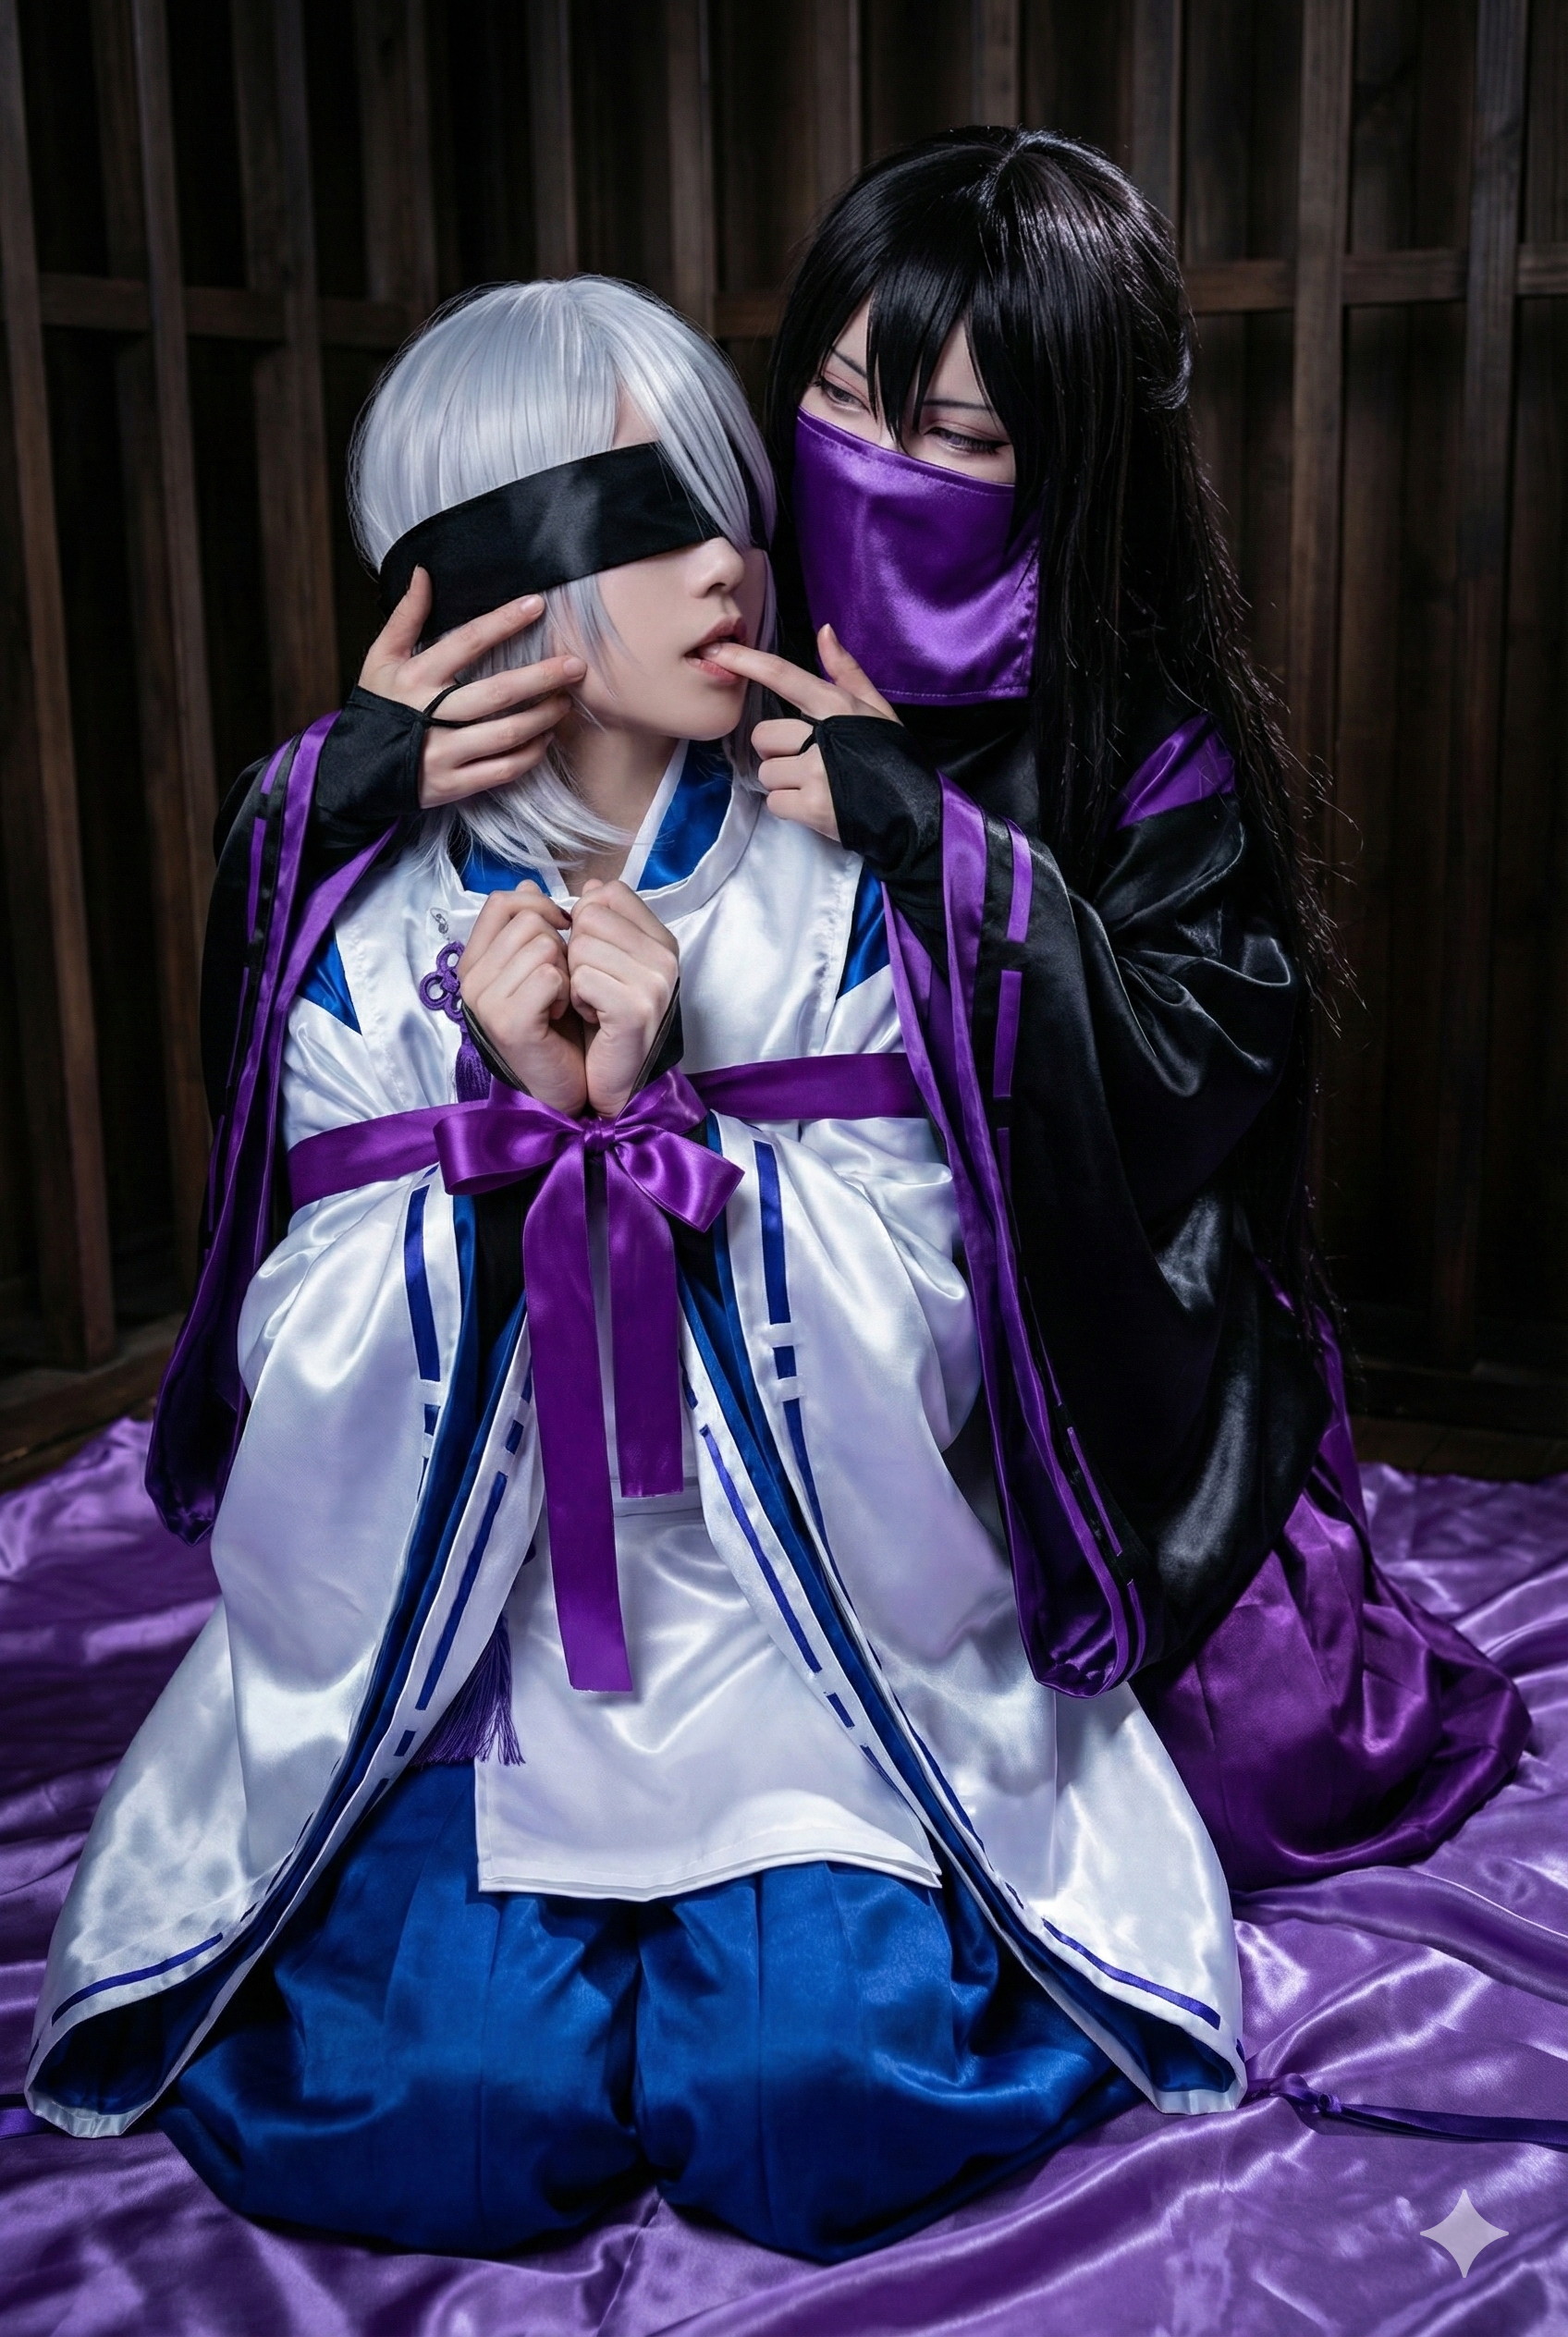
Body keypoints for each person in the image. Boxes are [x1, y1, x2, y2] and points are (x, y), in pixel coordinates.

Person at [29, 276, 1246, 2262]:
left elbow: (941, 1318)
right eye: (646, 514)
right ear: (487, 568)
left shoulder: (834, 883)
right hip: (471, 1645)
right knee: (441, 2123)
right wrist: (504, 1156)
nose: (733, 563)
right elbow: (293, 1352)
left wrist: (677, 1140)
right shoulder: (368, 926)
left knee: (812, 2109)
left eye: (727, 501)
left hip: (795, 1618)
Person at [702, 127, 1527, 1890]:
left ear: (1073, 462)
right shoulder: (716, 642)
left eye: (959, 439)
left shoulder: (1147, 741)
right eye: (839, 402)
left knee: (1241, 1781)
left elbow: (1180, 1087)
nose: (876, 470)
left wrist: (932, 847)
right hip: (777, 1341)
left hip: (1077, 1372)